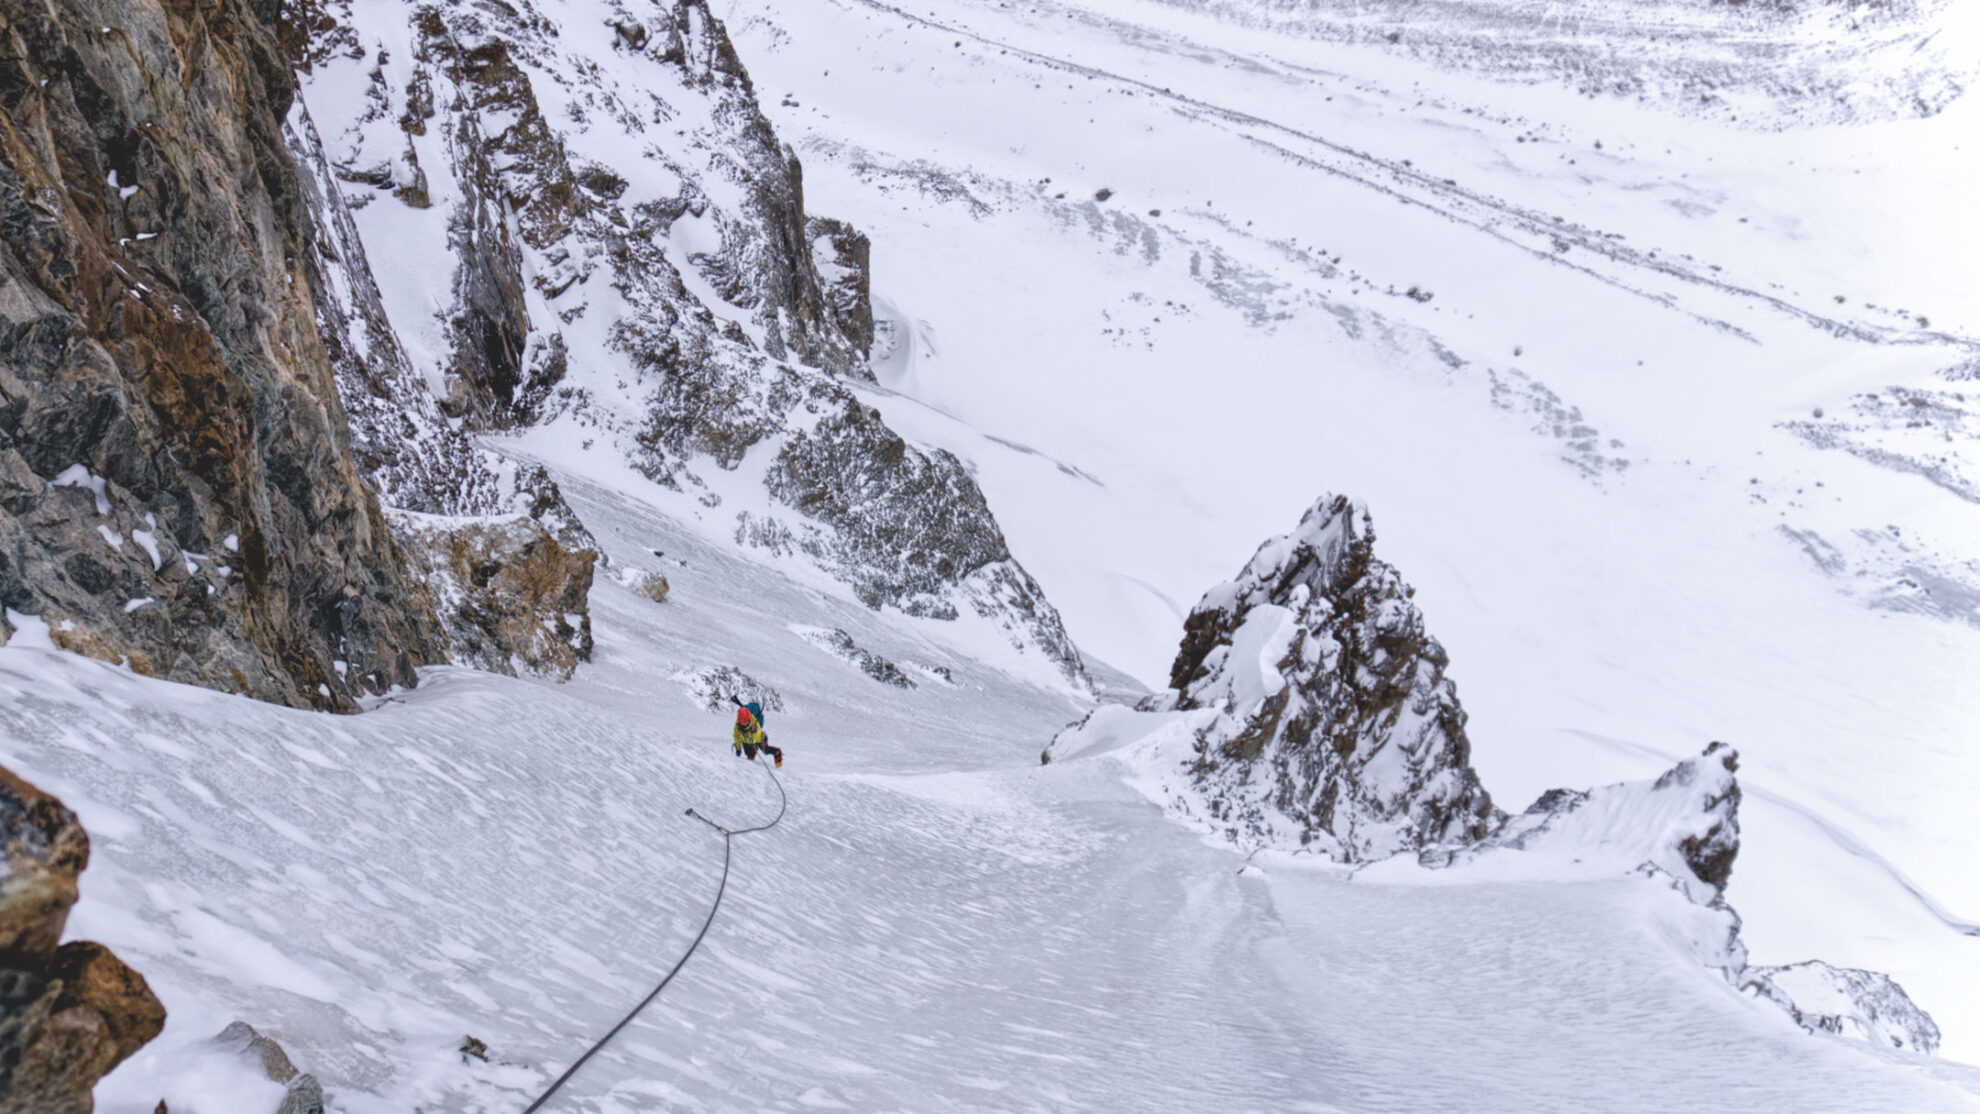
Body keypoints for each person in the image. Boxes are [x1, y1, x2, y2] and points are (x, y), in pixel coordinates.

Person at [731, 699, 782, 768]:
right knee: (749, 756)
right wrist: (738, 748)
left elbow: (757, 736)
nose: (743, 724)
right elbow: (736, 736)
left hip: (758, 740)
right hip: (747, 741)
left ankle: (777, 752)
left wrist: (751, 733)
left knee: (765, 751)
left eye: (745, 722)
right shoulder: (737, 725)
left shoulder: (754, 723)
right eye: (741, 722)